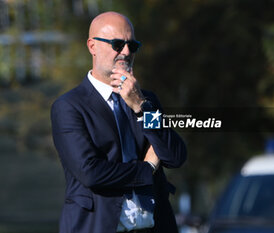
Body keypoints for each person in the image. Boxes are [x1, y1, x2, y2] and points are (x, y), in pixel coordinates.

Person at [51, 11, 187, 233]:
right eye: (117, 44)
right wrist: (148, 168)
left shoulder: (146, 100)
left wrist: (141, 107)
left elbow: (175, 155)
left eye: (132, 46)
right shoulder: (69, 106)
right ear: (92, 46)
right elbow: (91, 173)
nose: (126, 52)